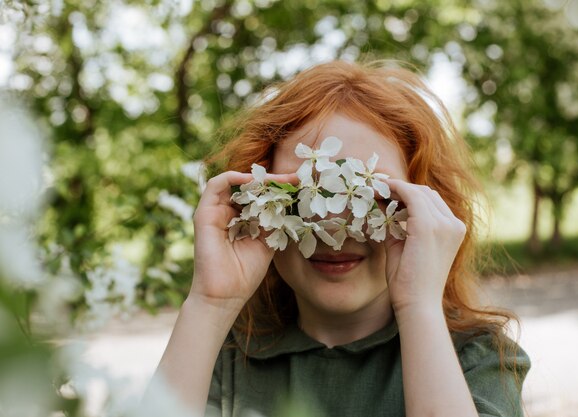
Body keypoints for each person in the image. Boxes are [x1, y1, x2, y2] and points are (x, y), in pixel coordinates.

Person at [145, 60, 530, 417]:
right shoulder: (220, 354)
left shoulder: (481, 359)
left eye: (372, 193)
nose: (332, 229)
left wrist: (419, 307)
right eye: (303, 193)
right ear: (256, 200)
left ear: (429, 210)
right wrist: (211, 303)